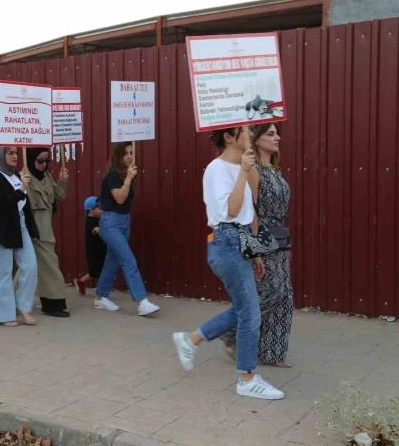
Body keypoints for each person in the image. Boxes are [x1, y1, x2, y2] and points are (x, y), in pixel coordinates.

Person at [172, 126, 284, 400]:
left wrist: (255, 251)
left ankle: (191, 339)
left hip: (240, 241)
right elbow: (230, 212)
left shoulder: (240, 167)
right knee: (250, 313)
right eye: (243, 132)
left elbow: (249, 210)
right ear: (228, 137)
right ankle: (247, 379)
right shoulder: (216, 169)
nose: (249, 136)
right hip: (226, 241)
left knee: (244, 308)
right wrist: (244, 173)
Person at [221, 123, 293, 367]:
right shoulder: (254, 169)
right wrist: (255, 248)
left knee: (285, 297)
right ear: (258, 139)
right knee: (271, 292)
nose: (277, 138)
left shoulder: (275, 169)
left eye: (277, 133)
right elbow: (251, 210)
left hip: (280, 236)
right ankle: (231, 331)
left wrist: (287, 245)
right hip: (263, 235)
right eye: (271, 134)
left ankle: (271, 353)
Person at [92, 143, 160, 316]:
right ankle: (141, 301)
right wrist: (129, 179)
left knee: (112, 261)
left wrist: (129, 178)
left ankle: (100, 297)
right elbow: (120, 199)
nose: (129, 156)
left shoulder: (125, 174)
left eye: (131, 153)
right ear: (118, 156)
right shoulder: (113, 176)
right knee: (128, 260)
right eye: (125, 154)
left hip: (124, 222)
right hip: (110, 223)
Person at [0, 147, 38, 327]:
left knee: (30, 265)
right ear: (0, 156)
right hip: (2, 230)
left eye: (16, 153)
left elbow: (23, 205)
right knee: (4, 272)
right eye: (10, 153)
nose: (15, 156)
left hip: (19, 226)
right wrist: (22, 188)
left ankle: (23, 307)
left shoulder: (16, 175)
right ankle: (5, 315)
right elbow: (2, 204)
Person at [15, 147, 70, 317]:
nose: (43, 164)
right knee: (48, 263)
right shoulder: (24, 177)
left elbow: (58, 196)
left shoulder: (46, 176)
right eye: (40, 161)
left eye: (47, 161)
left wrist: (62, 180)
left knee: (29, 266)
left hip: (46, 226)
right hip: (33, 228)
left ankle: (9, 299)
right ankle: (53, 303)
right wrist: (22, 185)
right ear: (31, 160)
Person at [73, 196, 106, 296]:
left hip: (101, 249)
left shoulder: (98, 218)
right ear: (91, 210)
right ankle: (82, 282)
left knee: (100, 270)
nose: (102, 210)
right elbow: (96, 230)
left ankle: (82, 282)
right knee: (95, 272)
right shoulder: (90, 221)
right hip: (94, 252)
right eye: (99, 207)